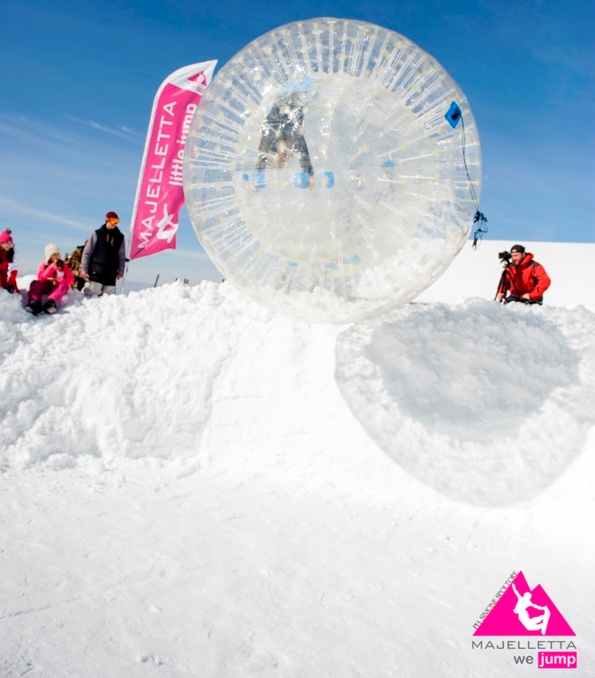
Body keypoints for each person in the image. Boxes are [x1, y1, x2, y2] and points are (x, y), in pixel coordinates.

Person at [255, 85, 315, 189]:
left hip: (300, 95)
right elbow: (262, 156)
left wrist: (310, 174)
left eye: (285, 158)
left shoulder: (291, 137)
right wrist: (257, 177)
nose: (288, 157)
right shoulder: (267, 138)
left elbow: (303, 152)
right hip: (283, 93)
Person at [80, 211, 126, 296]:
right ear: (107, 220)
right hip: (96, 272)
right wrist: (83, 268)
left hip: (111, 275)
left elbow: (121, 256)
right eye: (112, 220)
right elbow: (87, 252)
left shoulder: (120, 237)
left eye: (116, 221)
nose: (114, 223)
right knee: (90, 298)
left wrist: (120, 271)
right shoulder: (97, 234)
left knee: (108, 302)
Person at [25, 244, 75, 314]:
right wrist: (51, 268)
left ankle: (52, 303)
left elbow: (70, 279)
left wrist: (58, 281)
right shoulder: (43, 265)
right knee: (35, 283)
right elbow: (40, 278)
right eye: (54, 254)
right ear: (49, 256)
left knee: (63, 286)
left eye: (58, 253)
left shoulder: (64, 266)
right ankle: (34, 303)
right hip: (47, 286)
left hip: (58, 287)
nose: (57, 256)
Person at [0, 229, 19, 294]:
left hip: (5, 276)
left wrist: (10, 282)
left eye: (10, 243)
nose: (9, 245)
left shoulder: (11, 254)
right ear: (1, 243)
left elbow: (14, 268)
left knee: (11, 291)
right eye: (7, 242)